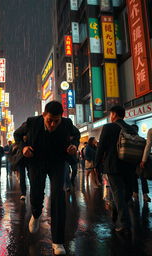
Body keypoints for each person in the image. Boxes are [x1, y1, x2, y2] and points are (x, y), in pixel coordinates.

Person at [14, 101, 80, 255]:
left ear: (61, 118)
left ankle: (58, 241)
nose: (52, 124)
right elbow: (17, 134)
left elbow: (76, 135)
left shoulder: (67, 123)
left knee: (58, 196)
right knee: (36, 194)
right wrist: (23, 147)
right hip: (36, 161)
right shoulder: (32, 122)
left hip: (57, 162)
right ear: (43, 115)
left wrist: (74, 145)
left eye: (56, 121)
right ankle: (36, 214)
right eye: (49, 120)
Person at [95, 105, 137, 233]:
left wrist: (97, 165)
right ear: (123, 115)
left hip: (113, 166)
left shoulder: (108, 127)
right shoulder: (131, 128)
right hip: (129, 165)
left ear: (113, 114)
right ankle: (116, 208)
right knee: (126, 193)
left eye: (110, 114)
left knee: (118, 193)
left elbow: (101, 148)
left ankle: (124, 222)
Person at [135, 126, 152, 202]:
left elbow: (148, 145)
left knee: (139, 176)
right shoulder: (141, 140)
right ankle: (144, 194)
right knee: (142, 177)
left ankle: (135, 193)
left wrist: (143, 160)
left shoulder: (151, 131)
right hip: (141, 160)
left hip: (135, 161)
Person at [18, 135, 29, 200]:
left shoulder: (31, 141)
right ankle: (23, 193)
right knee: (22, 177)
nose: (25, 137)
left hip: (30, 161)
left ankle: (32, 192)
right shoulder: (19, 143)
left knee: (31, 176)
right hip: (21, 161)